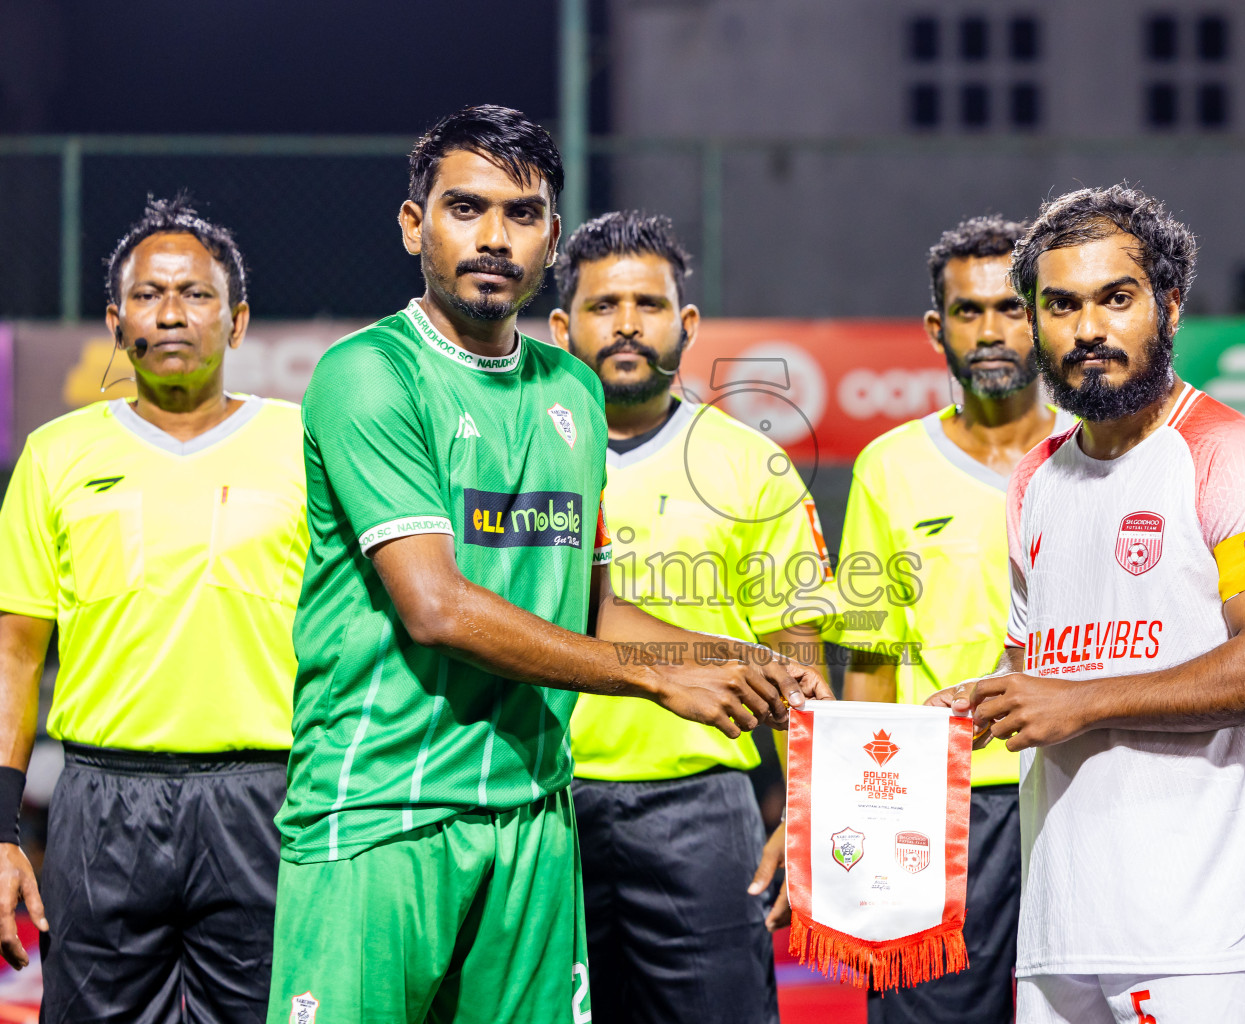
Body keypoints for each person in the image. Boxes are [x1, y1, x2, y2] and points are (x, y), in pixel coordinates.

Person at [265, 106, 830, 1024]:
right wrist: (654, 682)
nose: (495, 238)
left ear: (551, 237)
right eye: (467, 209)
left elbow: (593, 603)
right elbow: (437, 608)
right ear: (416, 226)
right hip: (380, 813)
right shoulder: (368, 373)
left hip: (534, 815)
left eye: (522, 215)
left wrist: (715, 659)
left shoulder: (569, 387)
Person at [931, 184, 1245, 1024]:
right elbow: (1037, 671)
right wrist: (976, 705)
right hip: (1062, 924)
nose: (1090, 329)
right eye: (1061, 305)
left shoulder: (1228, 452)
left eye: (1117, 298)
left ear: (1168, 305)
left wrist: (1081, 703)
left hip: (1202, 935)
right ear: (1035, 321)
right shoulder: (1034, 478)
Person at [0, 196, 308, 1021]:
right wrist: (0, 830)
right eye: (149, 294)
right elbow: (16, 654)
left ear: (237, 321)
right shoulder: (56, 455)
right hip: (102, 800)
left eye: (197, 293)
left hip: (267, 798)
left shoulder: (305, 446)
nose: (172, 312)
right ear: (115, 319)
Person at [549, 209, 831, 1024]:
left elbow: (797, 657)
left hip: (700, 807)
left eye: (648, 303)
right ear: (564, 325)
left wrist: (807, 813)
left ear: (688, 323)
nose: (628, 323)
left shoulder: (750, 464)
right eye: (604, 306)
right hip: (541, 802)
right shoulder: (521, 454)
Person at [827, 214, 1071, 1024]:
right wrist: (861, 814)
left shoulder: (1099, 453)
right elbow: (867, 665)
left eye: (1011, 308)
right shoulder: (887, 468)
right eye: (969, 311)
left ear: (1040, 317)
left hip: (1077, 789)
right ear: (937, 329)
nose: (992, 330)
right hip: (939, 814)